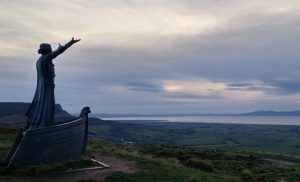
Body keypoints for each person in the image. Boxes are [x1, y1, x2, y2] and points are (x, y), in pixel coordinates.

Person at [25, 37, 81, 130]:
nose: (51, 51)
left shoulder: (39, 60)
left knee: (44, 106)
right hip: (48, 87)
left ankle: (42, 125)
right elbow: (59, 51)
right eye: (50, 49)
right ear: (47, 50)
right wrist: (71, 43)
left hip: (43, 87)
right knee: (49, 106)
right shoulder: (46, 58)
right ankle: (46, 126)